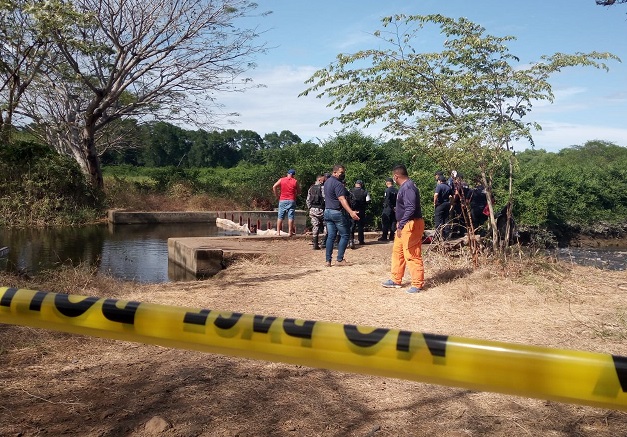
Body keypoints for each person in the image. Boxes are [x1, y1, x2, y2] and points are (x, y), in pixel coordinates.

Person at [381, 164, 425, 294]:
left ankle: (417, 284)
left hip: (411, 224)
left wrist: (401, 224)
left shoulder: (408, 187)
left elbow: (411, 208)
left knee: (412, 254)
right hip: (404, 224)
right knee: (398, 252)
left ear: (396, 176)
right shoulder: (405, 187)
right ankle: (396, 279)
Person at [323, 164, 360, 267]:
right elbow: (342, 199)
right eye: (341, 173)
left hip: (327, 211)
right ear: (335, 172)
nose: (343, 175)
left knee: (331, 236)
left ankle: (328, 260)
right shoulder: (338, 184)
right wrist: (351, 212)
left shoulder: (327, 182)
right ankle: (339, 259)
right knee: (345, 235)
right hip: (336, 212)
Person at [272, 169, 301, 236]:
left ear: (287, 173)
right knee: (290, 216)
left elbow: (274, 186)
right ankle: (290, 232)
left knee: (280, 216)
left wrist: (277, 196)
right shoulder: (295, 181)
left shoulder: (282, 180)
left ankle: (278, 232)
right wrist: (295, 194)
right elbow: (299, 192)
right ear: (293, 175)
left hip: (282, 199)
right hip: (291, 200)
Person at [306, 174, 326, 250]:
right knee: (326, 225)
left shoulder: (310, 188)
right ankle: (324, 242)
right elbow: (325, 199)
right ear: (319, 180)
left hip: (312, 210)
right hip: (322, 210)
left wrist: (310, 208)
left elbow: (308, 200)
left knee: (315, 226)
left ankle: (315, 244)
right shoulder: (323, 188)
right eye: (323, 180)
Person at [349, 180, 370, 247]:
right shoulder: (365, 191)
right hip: (361, 211)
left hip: (352, 211)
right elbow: (368, 200)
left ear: (355, 184)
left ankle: (351, 241)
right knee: (360, 226)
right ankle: (361, 240)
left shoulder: (350, 191)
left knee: (352, 226)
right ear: (362, 184)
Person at [378, 177, 397, 242]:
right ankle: (392, 236)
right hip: (395, 208)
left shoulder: (387, 190)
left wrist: (391, 207)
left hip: (388, 208)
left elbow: (387, 200)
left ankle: (384, 236)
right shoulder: (396, 190)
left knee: (385, 222)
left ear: (387, 183)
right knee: (393, 222)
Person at [433, 175, 452, 239]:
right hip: (447, 204)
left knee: (438, 220)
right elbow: (452, 196)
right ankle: (446, 235)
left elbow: (436, 195)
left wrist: (435, 203)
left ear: (440, 181)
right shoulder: (448, 187)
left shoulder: (439, 186)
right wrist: (451, 204)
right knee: (446, 219)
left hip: (440, 204)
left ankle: (438, 236)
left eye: (438, 180)